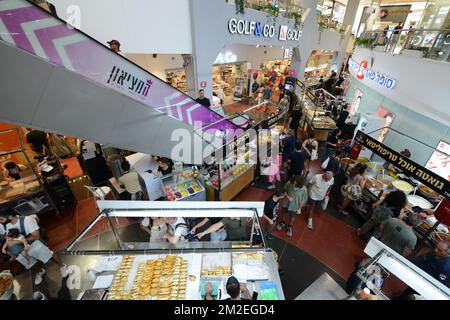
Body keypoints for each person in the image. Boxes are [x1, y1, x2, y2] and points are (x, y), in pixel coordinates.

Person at [0, 212, 69, 285]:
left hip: (33, 242)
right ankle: (40, 271)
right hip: (20, 249)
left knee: (49, 254)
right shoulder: (2, 225)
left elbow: (36, 236)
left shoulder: (27, 221)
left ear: (10, 216)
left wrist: (18, 242)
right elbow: (4, 237)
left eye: (1, 219)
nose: (0, 221)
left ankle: (62, 266)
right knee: (30, 263)